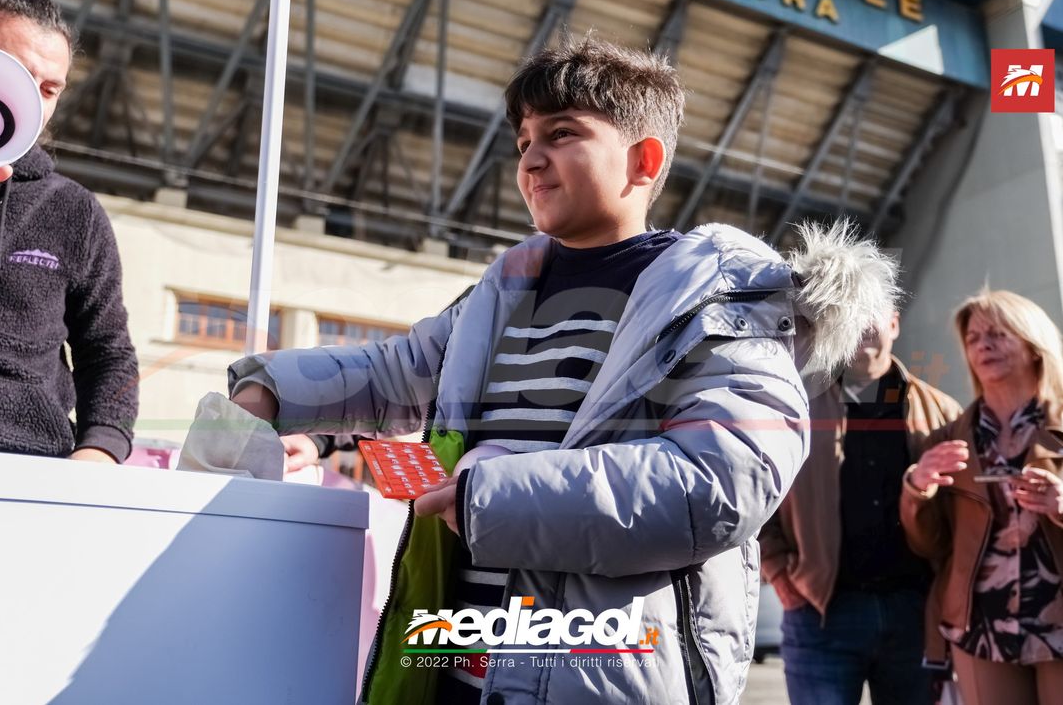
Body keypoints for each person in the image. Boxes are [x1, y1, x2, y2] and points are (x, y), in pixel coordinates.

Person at [227, 38, 898, 705]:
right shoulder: (500, 293)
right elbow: (395, 371)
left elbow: (720, 479)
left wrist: (486, 499)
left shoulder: (721, 302)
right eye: (522, 141)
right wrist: (271, 390)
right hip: (456, 671)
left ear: (644, 160)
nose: (531, 158)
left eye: (562, 133)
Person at [759, 312, 961, 705]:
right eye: (853, 315)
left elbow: (962, 515)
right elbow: (758, 488)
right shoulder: (795, 406)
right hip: (820, 612)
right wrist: (778, 570)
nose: (863, 325)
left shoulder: (943, 412)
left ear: (895, 323)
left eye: (873, 315)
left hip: (914, 613)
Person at [0, 0, 138, 462]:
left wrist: (100, 449)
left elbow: (109, 352)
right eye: (17, 76)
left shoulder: (74, 211)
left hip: (35, 466)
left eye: (50, 89)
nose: (33, 101)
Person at [901, 290, 1063, 705]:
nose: (983, 345)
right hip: (980, 625)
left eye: (997, 333)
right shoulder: (950, 439)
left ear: (1033, 344)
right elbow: (929, 544)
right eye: (973, 338)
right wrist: (917, 489)